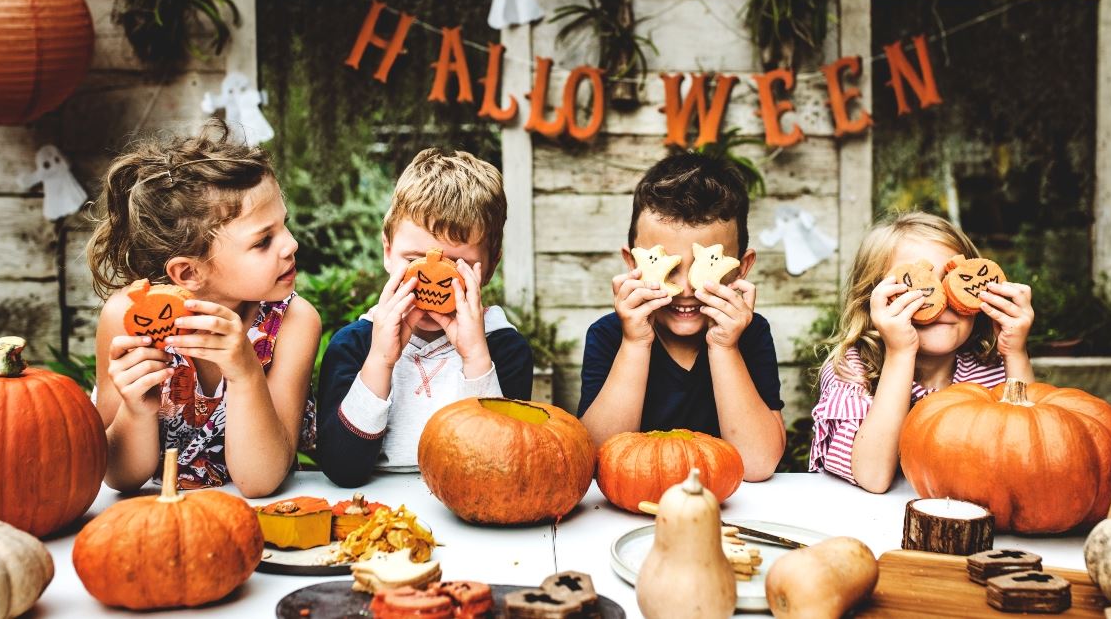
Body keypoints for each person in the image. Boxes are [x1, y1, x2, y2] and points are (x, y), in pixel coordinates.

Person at [87, 120, 321, 498]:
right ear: (189, 272)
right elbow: (119, 477)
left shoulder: (292, 322)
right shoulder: (127, 322)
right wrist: (137, 411)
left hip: (258, 519)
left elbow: (260, 479)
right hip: (156, 517)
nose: (290, 244)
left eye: (284, 226)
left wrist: (246, 372)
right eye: (263, 241)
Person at [317, 148, 533, 487]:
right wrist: (380, 362)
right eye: (415, 260)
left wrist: (475, 358)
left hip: (471, 509)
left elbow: (498, 469)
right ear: (388, 251)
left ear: (489, 266)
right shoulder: (354, 345)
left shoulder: (504, 348)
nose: (432, 281)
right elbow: (342, 469)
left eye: (455, 267)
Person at [578, 152, 786, 481]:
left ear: (741, 269)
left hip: (727, 508)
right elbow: (595, 457)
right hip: (630, 506)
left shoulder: (750, 334)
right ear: (632, 264)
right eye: (669, 267)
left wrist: (724, 347)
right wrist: (635, 343)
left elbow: (759, 464)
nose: (686, 289)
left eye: (705, 267)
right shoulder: (609, 335)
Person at [810, 212, 1035, 493]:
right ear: (873, 301)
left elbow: (1034, 454)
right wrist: (900, 353)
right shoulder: (852, 370)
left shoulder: (991, 373)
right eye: (920, 284)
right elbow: (873, 476)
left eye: (954, 281)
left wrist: (1015, 352)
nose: (942, 301)